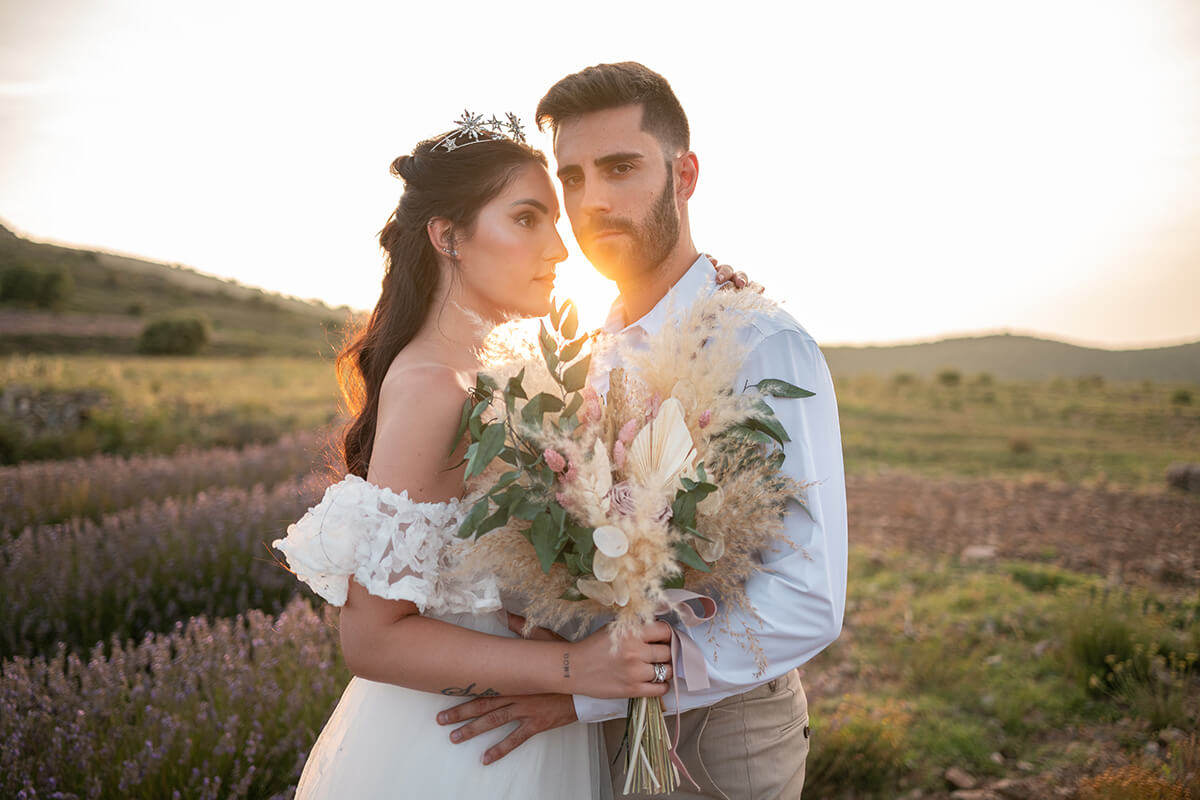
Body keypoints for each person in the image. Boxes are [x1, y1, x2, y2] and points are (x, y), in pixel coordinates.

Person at [438, 62, 848, 799]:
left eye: (620, 168)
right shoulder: (593, 351)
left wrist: (591, 690)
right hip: (587, 728)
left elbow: (807, 598)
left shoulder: (759, 342)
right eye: (573, 178)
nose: (592, 200)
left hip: (716, 741)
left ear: (684, 176)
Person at [272, 123, 680, 799]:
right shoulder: (434, 387)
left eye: (553, 221)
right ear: (448, 236)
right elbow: (372, 639)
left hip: (519, 721)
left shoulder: (496, 381)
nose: (558, 247)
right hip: (461, 750)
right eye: (526, 218)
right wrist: (576, 668)